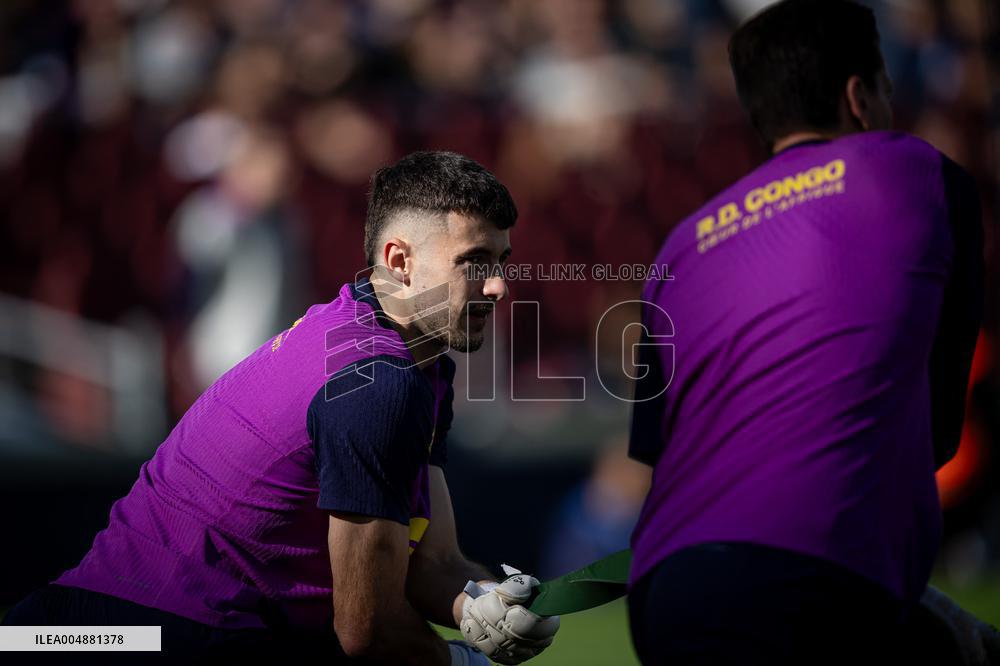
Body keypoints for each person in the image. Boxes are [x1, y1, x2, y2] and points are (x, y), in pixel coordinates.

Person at [3, 151, 559, 665]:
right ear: (399, 260)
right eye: (474, 262)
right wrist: (461, 660)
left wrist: (482, 603)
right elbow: (368, 630)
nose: (497, 287)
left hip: (84, 628)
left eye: (501, 261)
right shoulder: (378, 384)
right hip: (165, 635)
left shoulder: (394, 351)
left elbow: (432, 561)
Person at [625, 1, 992, 664]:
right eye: (884, 88)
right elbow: (938, 429)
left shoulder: (678, 247)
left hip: (663, 590)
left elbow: (659, 450)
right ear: (859, 97)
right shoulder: (915, 173)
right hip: (814, 575)